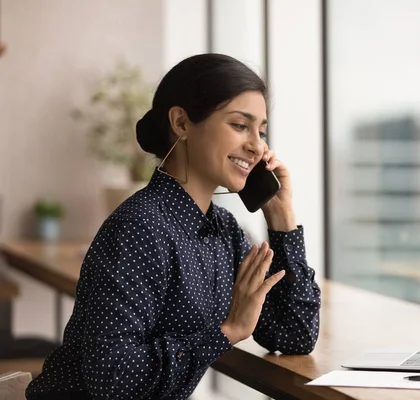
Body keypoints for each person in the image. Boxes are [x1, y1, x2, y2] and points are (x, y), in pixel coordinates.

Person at [26, 54, 321, 400]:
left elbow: (293, 335)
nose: (257, 146)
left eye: (261, 131)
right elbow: (111, 379)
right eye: (240, 125)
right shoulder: (139, 228)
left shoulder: (223, 231)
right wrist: (226, 332)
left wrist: (282, 218)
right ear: (181, 122)